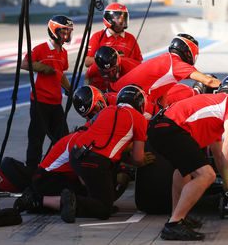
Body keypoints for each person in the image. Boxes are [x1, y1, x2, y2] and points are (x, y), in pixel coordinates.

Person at [146, 74, 228, 241]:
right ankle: (174, 224)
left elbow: (219, 154)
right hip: (170, 127)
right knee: (207, 175)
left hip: (159, 126)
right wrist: (227, 179)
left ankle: (177, 216)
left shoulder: (216, 107)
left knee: (183, 172)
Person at [13, 85, 108, 216]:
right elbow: (83, 171)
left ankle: (43, 200)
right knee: (91, 199)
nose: (98, 112)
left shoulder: (92, 128)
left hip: (51, 177)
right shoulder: (85, 136)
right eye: (95, 110)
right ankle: (37, 200)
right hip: (47, 179)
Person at [65, 85, 150, 222]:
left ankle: (87, 198)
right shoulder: (140, 119)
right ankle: (73, 199)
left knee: (104, 185)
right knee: (104, 210)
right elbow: (138, 159)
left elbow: (84, 131)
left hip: (76, 154)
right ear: (141, 104)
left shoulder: (107, 110)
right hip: (96, 161)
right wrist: (141, 161)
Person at [110, 34, 221, 114]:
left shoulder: (166, 59)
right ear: (188, 52)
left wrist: (162, 109)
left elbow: (163, 90)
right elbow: (208, 81)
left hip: (116, 94)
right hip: (126, 99)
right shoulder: (176, 64)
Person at [22, 15, 73, 172]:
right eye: (63, 32)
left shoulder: (63, 53)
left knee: (63, 138)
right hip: (40, 102)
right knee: (36, 139)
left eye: (68, 32)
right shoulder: (41, 48)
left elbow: (60, 75)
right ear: (53, 31)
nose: (66, 35)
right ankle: (31, 171)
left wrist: (70, 90)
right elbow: (24, 64)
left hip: (56, 103)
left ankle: (57, 169)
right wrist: (41, 67)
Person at [84, 3, 143, 88]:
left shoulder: (130, 38)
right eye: (118, 17)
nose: (121, 20)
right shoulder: (98, 37)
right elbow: (87, 62)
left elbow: (139, 63)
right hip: (100, 86)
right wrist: (109, 60)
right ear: (109, 19)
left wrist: (123, 61)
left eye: (124, 17)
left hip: (124, 86)